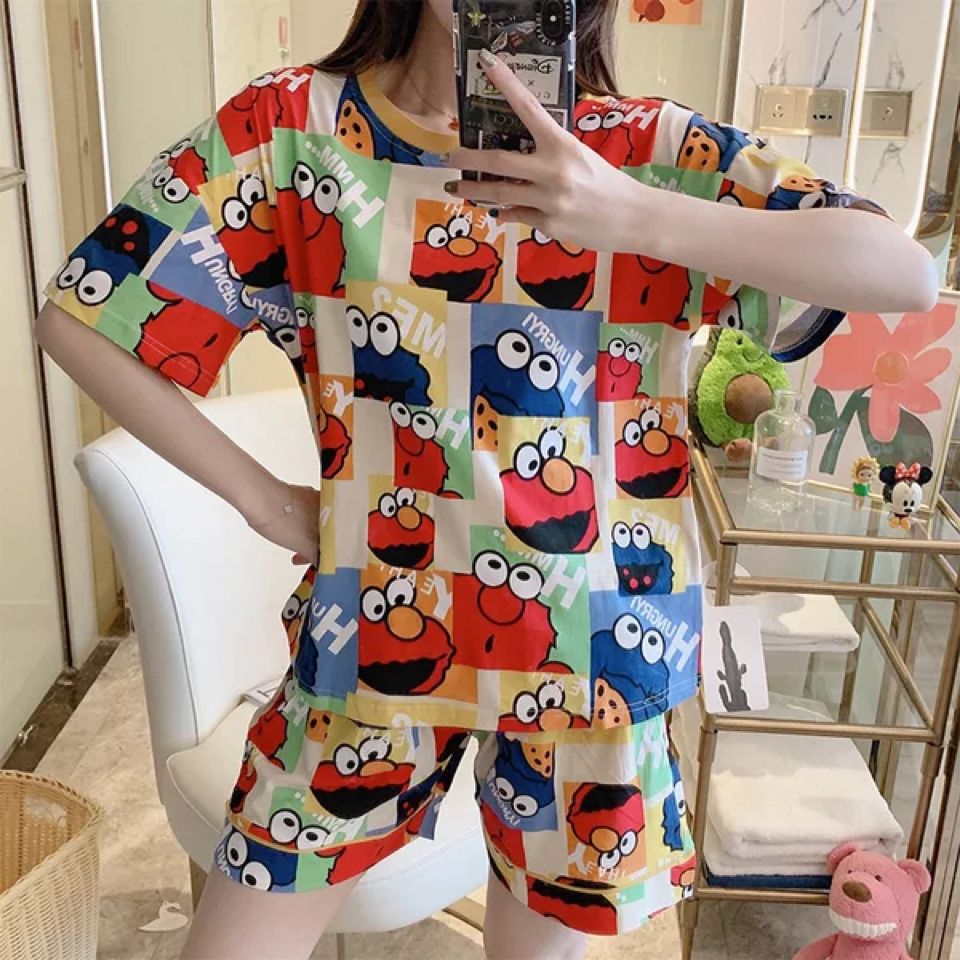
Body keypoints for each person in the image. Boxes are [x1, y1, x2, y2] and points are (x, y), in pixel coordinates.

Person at [34, 1, 937, 958]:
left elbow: (902, 272)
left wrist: (627, 211)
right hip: (373, 636)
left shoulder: (648, 151)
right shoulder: (291, 131)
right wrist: (266, 502)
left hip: (590, 658)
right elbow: (84, 318)